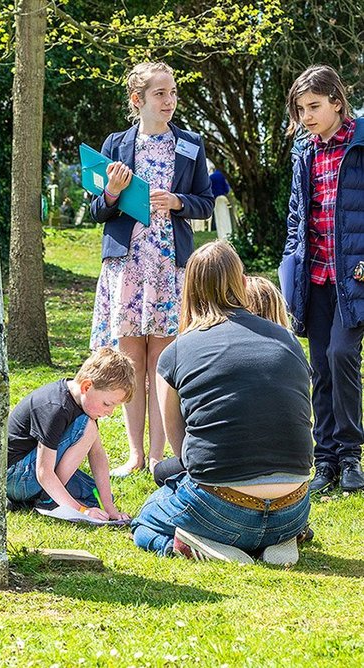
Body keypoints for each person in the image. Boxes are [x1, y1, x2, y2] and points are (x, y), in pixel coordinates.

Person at [132, 241, 313, 564]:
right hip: (294, 504)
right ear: (243, 283)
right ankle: (276, 541)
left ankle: (197, 546)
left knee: (145, 520)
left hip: (220, 507)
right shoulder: (287, 339)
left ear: (189, 289)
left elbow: (180, 447)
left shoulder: (176, 351)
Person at [89, 61, 214, 477]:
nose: (169, 101)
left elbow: (205, 203)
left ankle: (160, 456)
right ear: (137, 100)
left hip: (168, 264)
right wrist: (112, 190)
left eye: (173, 92)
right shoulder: (116, 144)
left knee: (162, 362)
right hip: (126, 265)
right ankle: (134, 455)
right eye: (160, 94)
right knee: (129, 362)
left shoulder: (191, 144)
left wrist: (178, 202)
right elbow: (97, 209)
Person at [280, 64, 364, 494]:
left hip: (355, 277)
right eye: (300, 109)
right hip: (313, 277)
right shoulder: (305, 152)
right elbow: (297, 217)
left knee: (341, 355)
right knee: (319, 368)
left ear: (336, 100)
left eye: (314, 106)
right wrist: (289, 266)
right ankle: (325, 460)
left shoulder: (361, 143)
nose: (306, 116)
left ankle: (351, 456)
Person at [151, 273, 292, 486]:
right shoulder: (290, 352)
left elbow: (182, 443)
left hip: (223, 472)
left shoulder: (208, 350)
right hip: (289, 475)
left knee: (163, 475)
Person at [5, 348, 134, 521]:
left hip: (31, 475)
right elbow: (43, 471)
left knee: (93, 494)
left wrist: (109, 507)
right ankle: (47, 501)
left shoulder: (85, 405)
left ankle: (42, 498)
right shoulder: (55, 407)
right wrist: (81, 511)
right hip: (14, 477)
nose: (110, 412)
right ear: (87, 386)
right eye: (107, 404)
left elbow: (97, 455)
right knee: (88, 427)